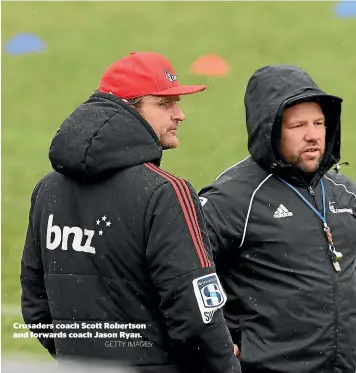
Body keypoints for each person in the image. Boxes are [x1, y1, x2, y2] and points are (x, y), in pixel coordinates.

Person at [20, 52, 241, 373]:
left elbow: (36, 307)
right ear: (128, 109)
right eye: (165, 104)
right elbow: (196, 315)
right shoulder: (166, 193)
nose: (180, 114)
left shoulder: (47, 189)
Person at [198, 64, 356, 373]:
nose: (313, 135)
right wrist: (219, 340)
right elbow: (185, 271)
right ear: (270, 129)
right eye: (298, 126)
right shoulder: (231, 198)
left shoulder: (346, 193)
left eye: (319, 123)